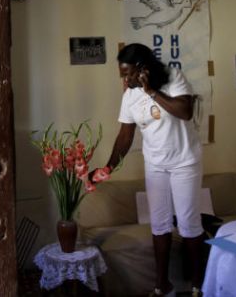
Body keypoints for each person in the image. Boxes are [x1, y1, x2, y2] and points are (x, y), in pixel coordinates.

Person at [90, 43, 206, 297]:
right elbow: (125, 136)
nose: (125, 79)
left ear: (143, 69)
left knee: (188, 224)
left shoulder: (173, 77)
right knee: (159, 225)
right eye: (122, 74)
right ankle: (162, 286)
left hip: (184, 162)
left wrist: (151, 92)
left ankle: (199, 286)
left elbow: (185, 111)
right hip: (156, 164)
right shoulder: (129, 97)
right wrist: (107, 167)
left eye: (128, 73)